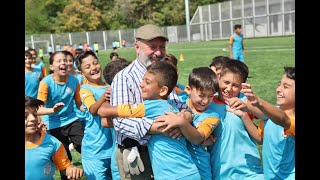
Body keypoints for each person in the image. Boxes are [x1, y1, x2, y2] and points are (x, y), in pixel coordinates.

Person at [108, 24, 192, 179]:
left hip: (168, 155)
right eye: (152, 47)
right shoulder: (124, 78)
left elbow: (182, 107)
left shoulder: (163, 74)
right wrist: (158, 127)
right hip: (137, 155)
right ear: (137, 48)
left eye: (162, 47)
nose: (159, 52)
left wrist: (184, 119)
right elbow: (119, 122)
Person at [98, 61, 200, 179]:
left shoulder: (150, 107)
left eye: (147, 82)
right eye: (142, 80)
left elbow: (103, 111)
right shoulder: (174, 105)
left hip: (172, 175)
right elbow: (189, 114)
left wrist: (107, 98)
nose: (141, 85)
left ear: (163, 90)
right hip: (189, 171)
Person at [228, 67, 295, 179]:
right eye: (279, 84)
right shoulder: (270, 113)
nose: (279, 89)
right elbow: (260, 138)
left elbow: (283, 119)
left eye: (286, 87)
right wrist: (244, 114)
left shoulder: (280, 116)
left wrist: (258, 102)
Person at [154, 67, 221, 179]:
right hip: (177, 168)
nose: (205, 101)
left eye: (210, 96)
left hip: (201, 171)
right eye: (201, 95)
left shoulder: (212, 116)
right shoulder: (176, 105)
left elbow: (197, 138)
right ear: (188, 89)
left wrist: (181, 123)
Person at [208, 60, 264, 179]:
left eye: (235, 85)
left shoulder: (245, 100)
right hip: (220, 172)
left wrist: (247, 108)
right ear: (219, 79)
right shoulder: (208, 103)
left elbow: (267, 115)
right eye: (226, 82)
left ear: (242, 86)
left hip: (250, 171)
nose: (229, 88)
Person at [37, 51, 84, 180]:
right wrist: (53, 110)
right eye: (59, 61)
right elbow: (38, 109)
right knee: (64, 158)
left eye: (65, 60)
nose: (63, 63)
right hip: (53, 123)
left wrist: (90, 108)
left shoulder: (74, 80)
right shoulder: (46, 83)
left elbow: (79, 103)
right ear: (51, 67)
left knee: (83, 146)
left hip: (72, 119)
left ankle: (93, 172)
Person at [25, 96, 84, 180]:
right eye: (25, 116)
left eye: (35, 114)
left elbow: (65, 167)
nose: (33, 119)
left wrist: (71, 169)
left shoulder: (52, 142)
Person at [76, 50, 114, 179]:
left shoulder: (109, 85)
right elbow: (93, 110)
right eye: (87, 67)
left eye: (95, 63)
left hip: (114, 149)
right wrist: (104, 96)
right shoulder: (85, 89)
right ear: (81, 73)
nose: (93, 68)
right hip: (95, 151)